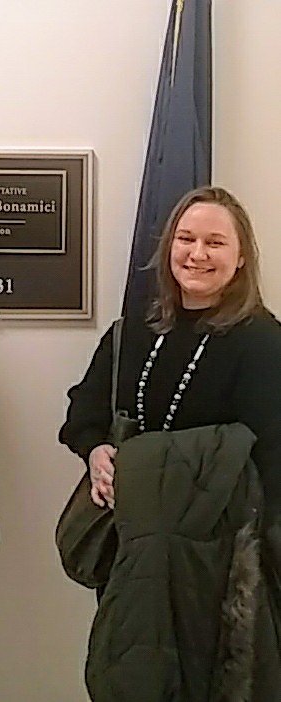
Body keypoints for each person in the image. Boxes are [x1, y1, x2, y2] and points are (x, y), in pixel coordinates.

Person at [59, 186, 281, 700]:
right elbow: (82, 415)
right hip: (134, 550)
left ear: (240, 257)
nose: (197, 253)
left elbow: (274, 460)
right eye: (186, 238)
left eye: (215, 242)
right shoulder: (131, 332)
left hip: (219, 565)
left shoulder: (265, 343)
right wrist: (96, 452)